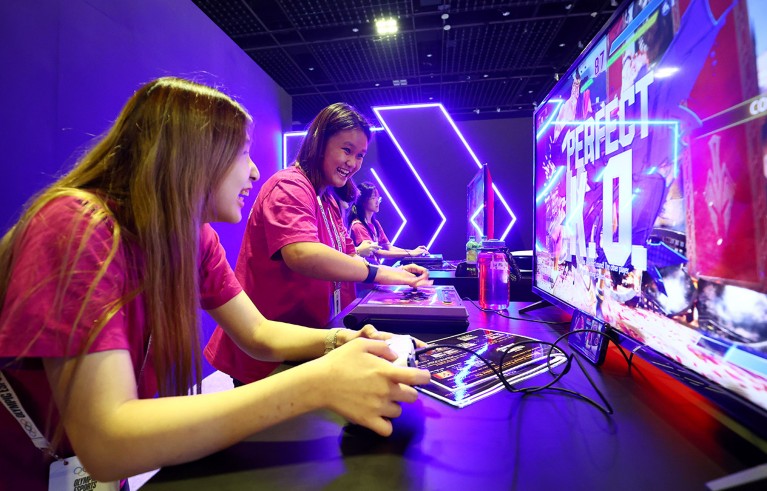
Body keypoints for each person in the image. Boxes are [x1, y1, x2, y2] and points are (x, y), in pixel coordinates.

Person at [0, 79, 431, 489]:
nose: (254, 170)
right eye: (242, 152)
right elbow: (107, 440)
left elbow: (258, 333)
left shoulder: (194, 236)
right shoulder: (76, 224)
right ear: (192, 154)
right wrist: (318, 382)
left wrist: (347, 340)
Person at [205, 102, 432, 386]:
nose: (353, 162)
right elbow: (302, 253)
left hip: (308, 342)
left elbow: (350, 259)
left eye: (360, 155)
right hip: (270, 354)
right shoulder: (290, 185)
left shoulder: (328, 200)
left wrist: (397, 275)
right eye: (346, 150)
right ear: (319, 143)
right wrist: (382, 274)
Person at [347, 181, 429, 263]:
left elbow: (389, 248)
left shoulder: (375, 224)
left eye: (378, 197)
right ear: (363, 201)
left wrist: (412, 251)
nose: (377, 201)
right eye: (373, 197)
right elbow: (378, 253)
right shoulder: (358, 226)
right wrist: (411, 254)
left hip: (374, 269)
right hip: (365, 272)